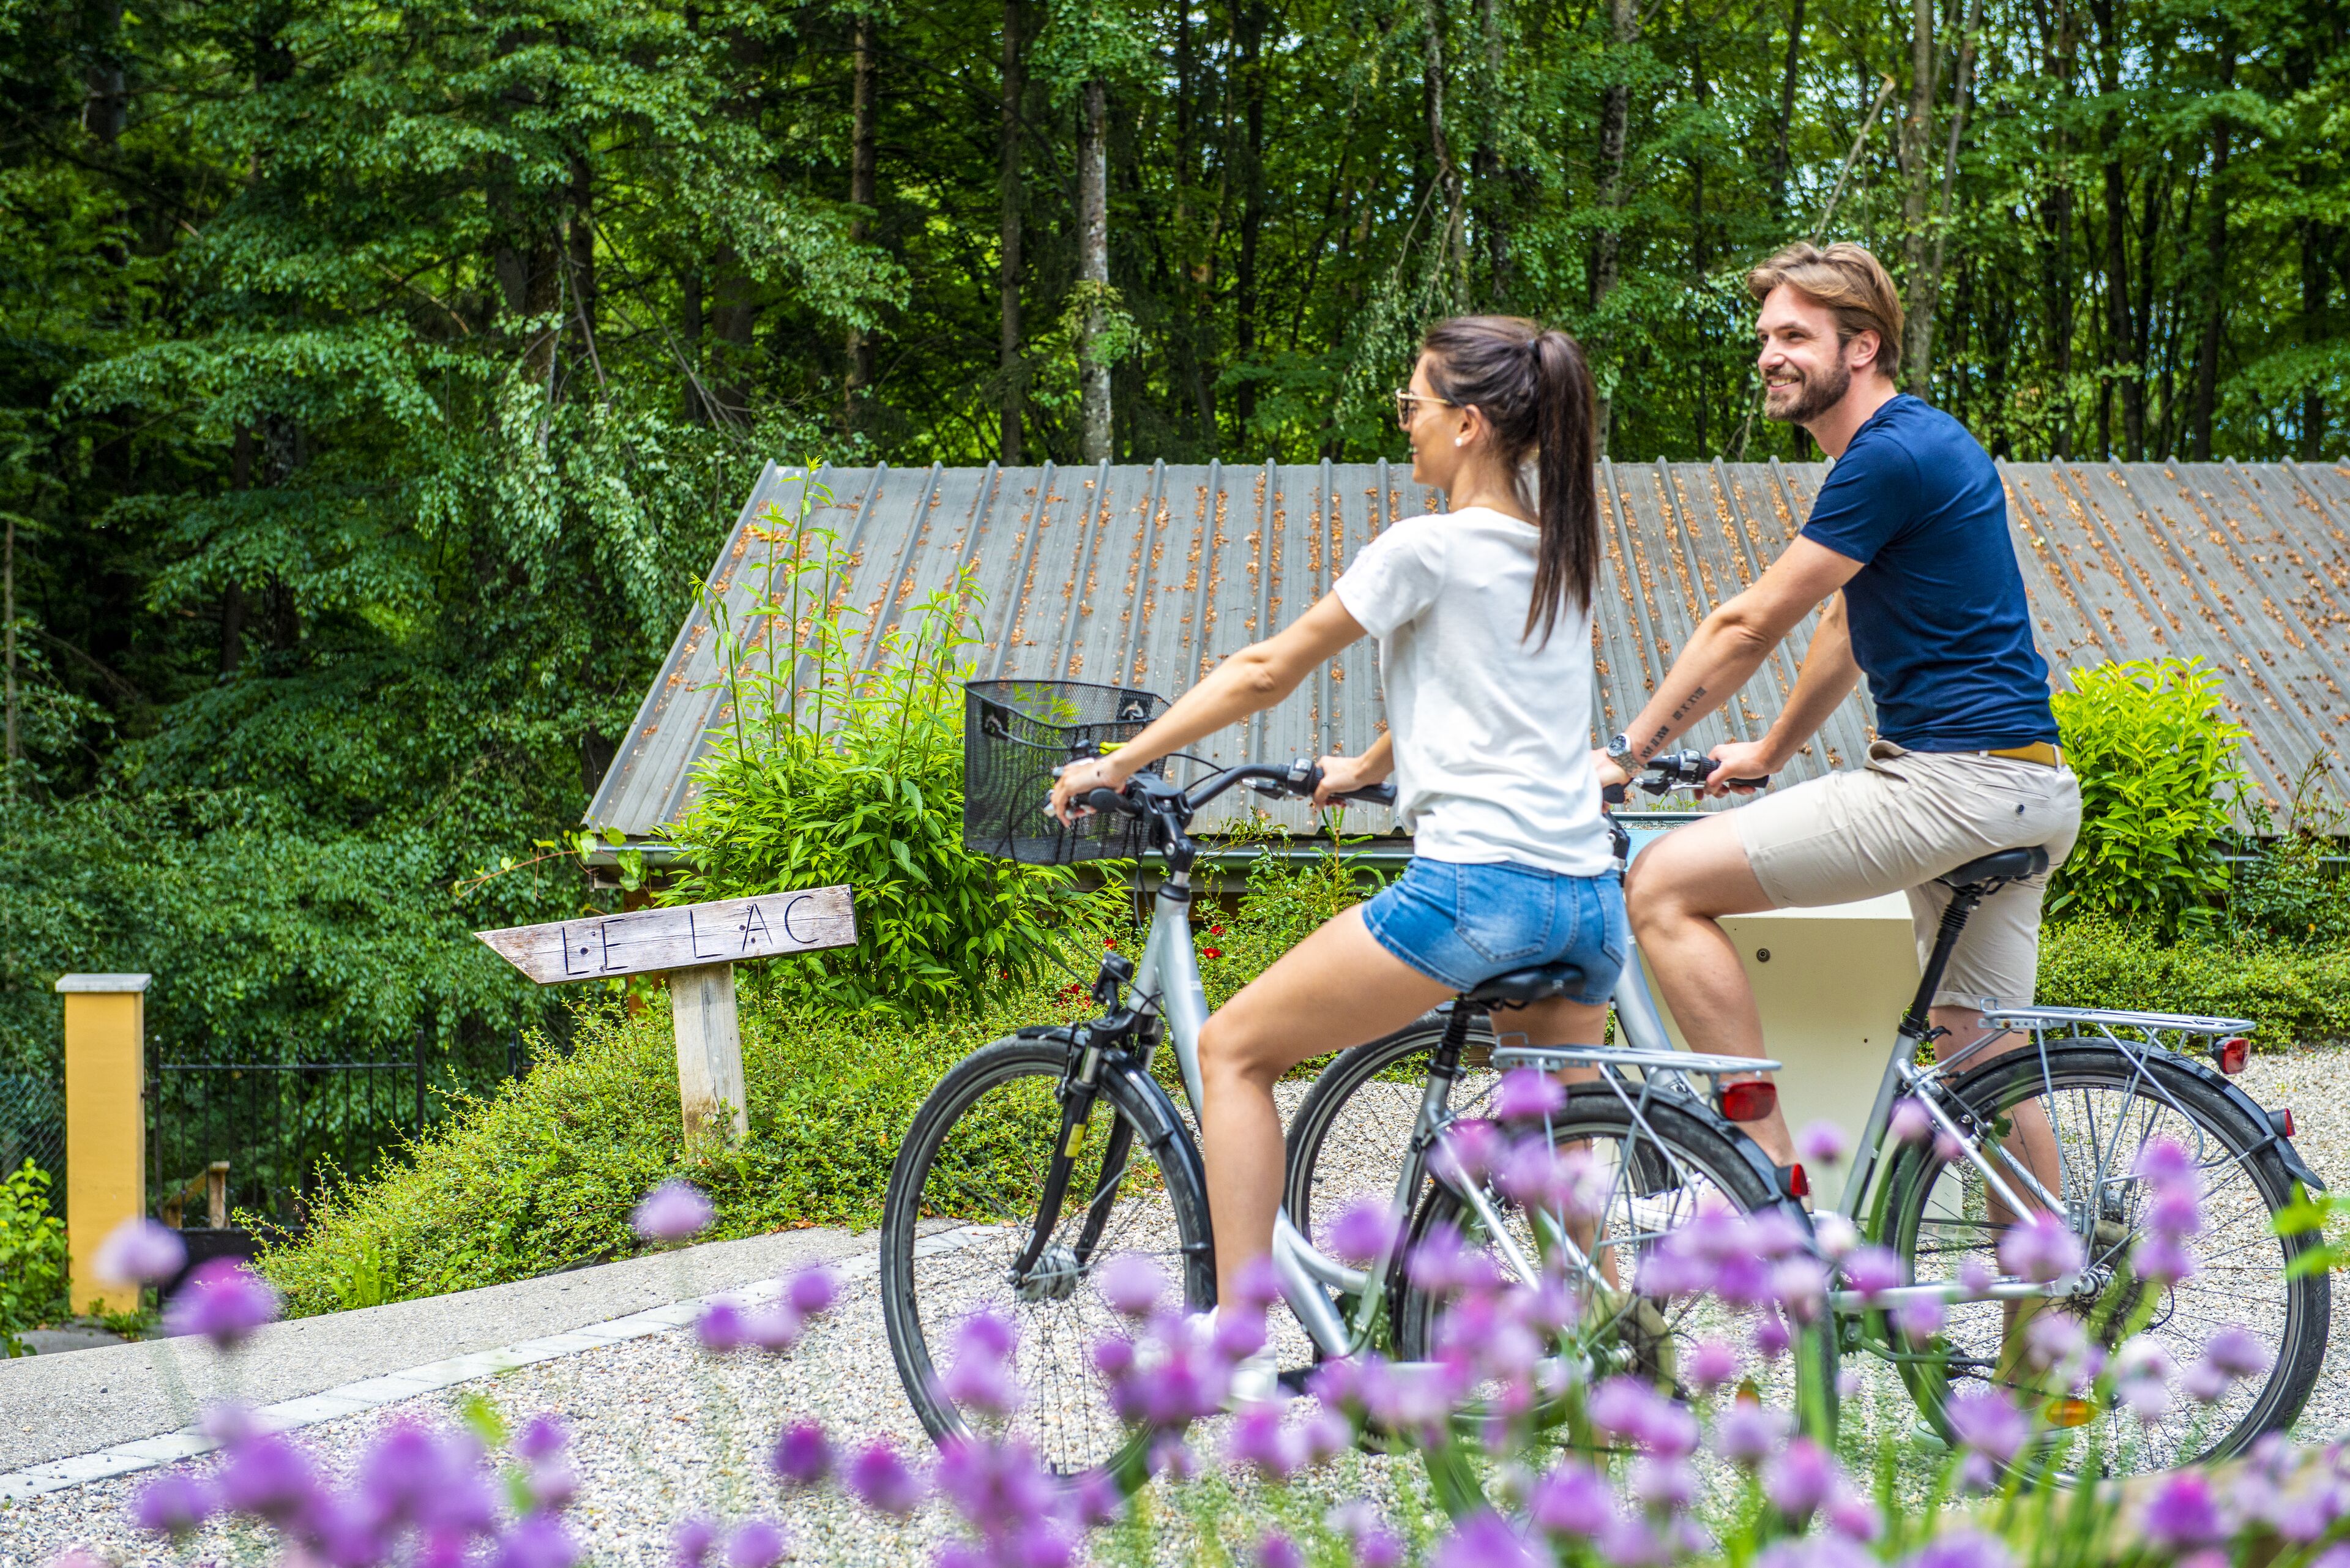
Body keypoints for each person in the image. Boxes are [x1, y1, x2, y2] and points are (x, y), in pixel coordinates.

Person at [1050, 316, 1623, 1398]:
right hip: (1590, 899)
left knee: (1233, 1050)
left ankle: (1233, 1337)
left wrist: (1118, 762)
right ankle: (1609, 1343)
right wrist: (1364, 766)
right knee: (1554, 1139)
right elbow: (1490, 698)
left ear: (1467, 423)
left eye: (1413, 404)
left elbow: (1266, 669)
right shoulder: (1559, 555)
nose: (1404, 424)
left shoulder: (1426, 547)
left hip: (1479, 891)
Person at [1595, 242, 2081, 1199]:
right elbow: (1841, 625)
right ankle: (2055, 1282)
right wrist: (1770, 750)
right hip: (2027, 784)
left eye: (1793, 336)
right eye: (1764, 336)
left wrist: (1626, 752)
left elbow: (1748, 624)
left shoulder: (1887, 454)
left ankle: (1767, 1185)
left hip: (1949, 784)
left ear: (1861, 348)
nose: (1768, 355)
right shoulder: (1920, 445)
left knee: (1660, 885)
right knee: (1981, 1055)